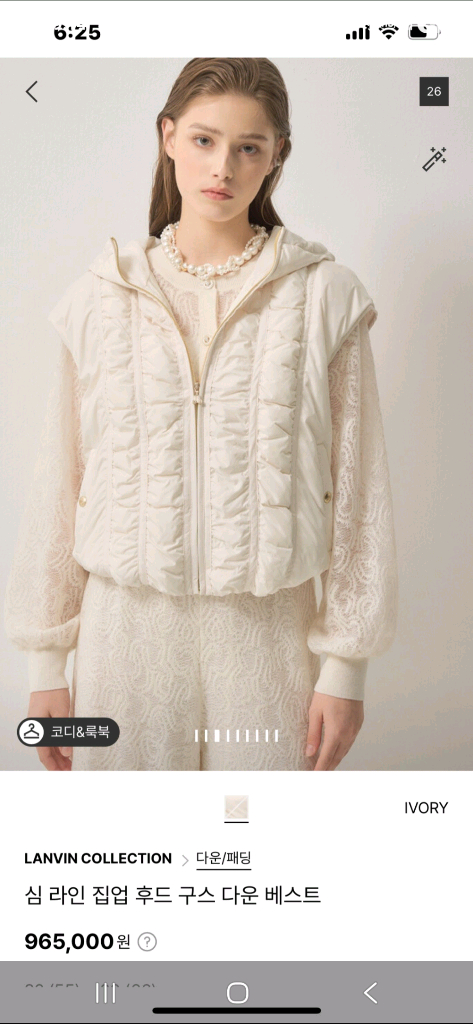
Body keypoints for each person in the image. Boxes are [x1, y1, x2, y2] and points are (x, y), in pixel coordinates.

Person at [4, 58, 398, 772]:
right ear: (168, 137)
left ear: (277, 155)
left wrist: (344, 670)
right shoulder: (98, 298)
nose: (223, 166)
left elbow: (357, 494)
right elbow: (60, 483)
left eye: (249, 146)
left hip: (267, 634)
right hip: (124, 636)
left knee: (253, 830)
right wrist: (45, 664)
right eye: (204, 140)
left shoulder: (325, 297)